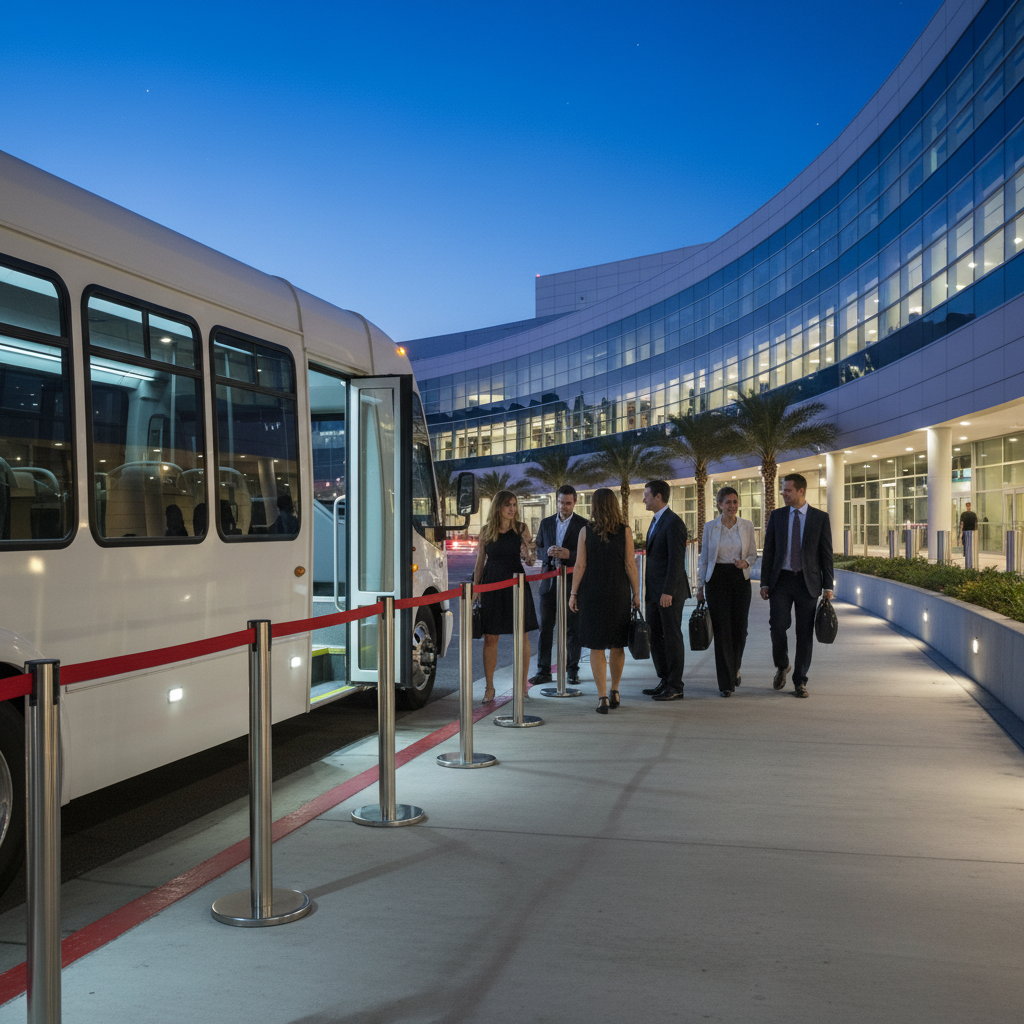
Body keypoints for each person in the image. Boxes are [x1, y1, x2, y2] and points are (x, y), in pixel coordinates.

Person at [759, 473, 834, 698]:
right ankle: (782, 665)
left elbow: (826, 554)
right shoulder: (777, 516)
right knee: (778, 626)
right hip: (781, 581)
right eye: (783, 490)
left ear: (801, 491)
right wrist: (764, 582)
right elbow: (769, 551)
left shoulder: (820, 518)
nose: (783, 493)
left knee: (804, 633)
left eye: (788, 490)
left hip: (807, 582)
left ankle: (800, 680)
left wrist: (828, 586)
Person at [569, 487, 640, 714]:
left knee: (597, 645)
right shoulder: (625, 531)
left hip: (592, 592)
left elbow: (580, 565)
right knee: (617, 643)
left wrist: (573, 593)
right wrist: (637, 593)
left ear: (595, 506)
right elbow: (630, 565)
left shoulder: (584, 531)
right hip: (618, 590)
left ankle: (601, 697)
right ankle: (615, 690)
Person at [472, 489, 538, 703]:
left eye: (514, 505)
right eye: (508, 505)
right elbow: (480, 561)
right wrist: (476, 588)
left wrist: (528, 555)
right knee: (491, 637)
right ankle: (489, 688)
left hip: (516, 583)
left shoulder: (521, 529)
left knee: (522, 635)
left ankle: (522, 686)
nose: (512, 509)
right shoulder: (486, 531)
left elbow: (531, 560)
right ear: (498, 507)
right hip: (492, 583)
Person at [696, 486, 758, 697]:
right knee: (722, 631)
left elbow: (752, 554)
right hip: (716, 580)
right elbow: (704, 558)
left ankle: (735, 667)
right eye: (728, 502)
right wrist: (700, 586)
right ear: (719, 504)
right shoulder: (710, 527)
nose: (732, 506)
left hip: (740, 579)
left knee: (740, 629)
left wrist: (745, 563)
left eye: (735, 501)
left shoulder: (747, 526)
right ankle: (725, 682)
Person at [530, 484, 587, 686]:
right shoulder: (545, 523)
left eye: (568, 503)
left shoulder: (583, 525)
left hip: (572, 584)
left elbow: (587, 554)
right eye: (561, 502)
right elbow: (537, 549)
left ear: (575, 503)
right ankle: (543, 670)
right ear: (556, 501)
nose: (564, 507)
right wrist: (546, 552)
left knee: (573, 628)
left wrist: (568, 554)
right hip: (548, 583)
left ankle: (572, 670)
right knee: (545, 627)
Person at [640, 480, 691, 701]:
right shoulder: (655, 521)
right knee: (656, 637)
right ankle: (664, 679)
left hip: (669, 593)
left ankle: (676, 685)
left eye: (646, 495)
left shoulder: (673, 523)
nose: (643, 498)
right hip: (654, 592)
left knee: (672, 637)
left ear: (658, 496)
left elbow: (676, 561)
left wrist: (668, 591)